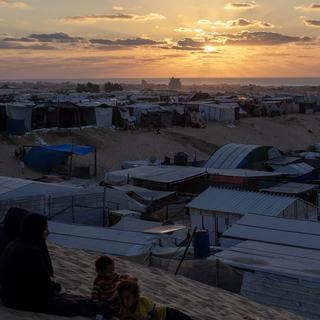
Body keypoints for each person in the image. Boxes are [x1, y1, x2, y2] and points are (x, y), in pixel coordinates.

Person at [0, 213, 97, 317]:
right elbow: (44, 287)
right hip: (21, 300)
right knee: (79, 304)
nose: (48, 232)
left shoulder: (16, 243)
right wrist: (55, 287)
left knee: (79, 300)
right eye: (45, 229)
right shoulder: (30, 251)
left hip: (13, 296)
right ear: (36, 230)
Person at [117, 281, 194, 320]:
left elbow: (155, 315)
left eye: (127, 298)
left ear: (135, 297)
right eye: (122, 298)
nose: (124, 301)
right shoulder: (125, 309)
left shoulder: (143, 301)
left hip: (167, 314)